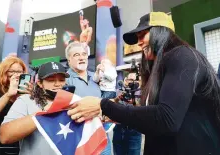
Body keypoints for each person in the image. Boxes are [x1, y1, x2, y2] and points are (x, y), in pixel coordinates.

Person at [67, 12, 220, 155]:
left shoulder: (182, 56)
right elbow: (154, 118)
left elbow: (167, 119)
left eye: (143, 35)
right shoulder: (159, 67)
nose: (139, 43)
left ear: (161, 32)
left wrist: (103, 105)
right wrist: (114, 114)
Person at [0, 62, 70, 155]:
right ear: (40, 83)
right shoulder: (26, 100)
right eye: (51, 80)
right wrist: (46, 111)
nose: (57, 84)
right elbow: (5, 137)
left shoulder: (73, 100)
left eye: (61, 80)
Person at [65, 42, 111, 155]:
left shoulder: (97, 76)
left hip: (102, 133)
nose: (81, 57)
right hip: (79, 137)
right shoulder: (64, 79)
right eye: (76, 55)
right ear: (69, 60)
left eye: (84, 54)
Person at [0, 56, 32, 155]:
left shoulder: (26, 90)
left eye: (20, 72)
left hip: (21, 142)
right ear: (4, 72)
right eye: (12, 71)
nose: (17, 75)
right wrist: (8, 94)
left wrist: (29, 96)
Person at [113, 72, 142, 155]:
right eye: (130, 80)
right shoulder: (118, 91)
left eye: (134, 80)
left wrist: (134, 102)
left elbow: (144, 110)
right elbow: (111, 105)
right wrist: (118, 98)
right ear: (125, 80)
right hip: (118, 130)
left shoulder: (142, 93)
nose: (131, 83)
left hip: (134, 131)